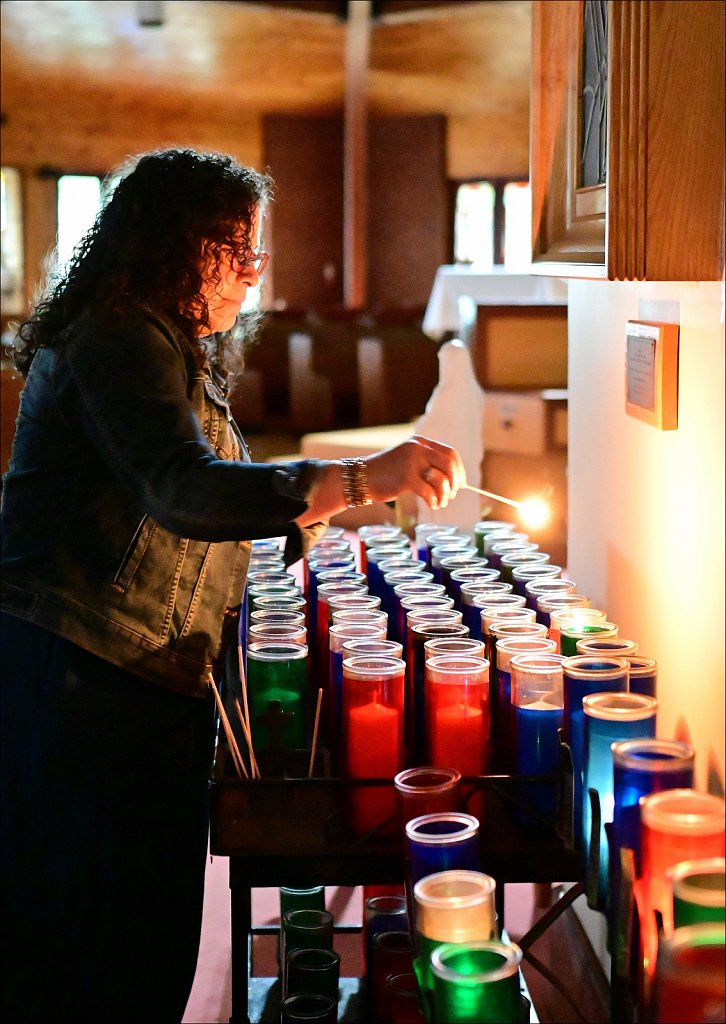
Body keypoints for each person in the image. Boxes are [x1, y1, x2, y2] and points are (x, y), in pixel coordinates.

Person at [0, 146, 464, 1022]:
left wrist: (320, 529)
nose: (253, 275)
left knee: (143, 936)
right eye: (239, 250)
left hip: (141, 676)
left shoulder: (162, 344)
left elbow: (209, 513)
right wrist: (359, 477)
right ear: (183, 244)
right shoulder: (118, 337)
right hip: (82, 679)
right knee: (87, 941)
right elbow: (182, 489)